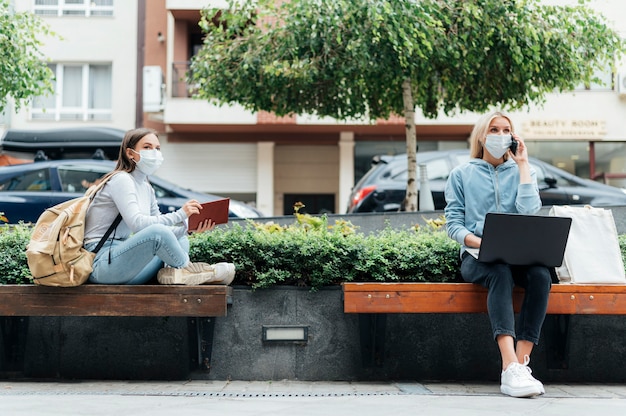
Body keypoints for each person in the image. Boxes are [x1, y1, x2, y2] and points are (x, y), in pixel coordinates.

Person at [444, 111, 551, 398]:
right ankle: (508, 366)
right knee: (500, 273)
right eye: (494, 129)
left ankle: (522, 363)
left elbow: (529, 212)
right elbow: (453, 224)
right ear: (482, 135)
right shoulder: (461, 174)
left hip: (519, 256)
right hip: (478, 257)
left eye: (507, 130)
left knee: (541, 276)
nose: (501, 135)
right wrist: (480, 242)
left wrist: (524, 165)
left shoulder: (523, 171)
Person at [83, 127, 235, 285]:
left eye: (157, 148)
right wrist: (181, 214)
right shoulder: (121, 180)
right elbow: (138, 224)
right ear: (130, 153)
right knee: (158, 233)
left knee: (180, 238)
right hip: (101, 264)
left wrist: (188, 229)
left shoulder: (146, 187)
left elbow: (161, 228)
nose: (154, 152)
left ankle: (176, 275)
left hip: (125, 266)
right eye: (147, 147)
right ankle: (189, 271)